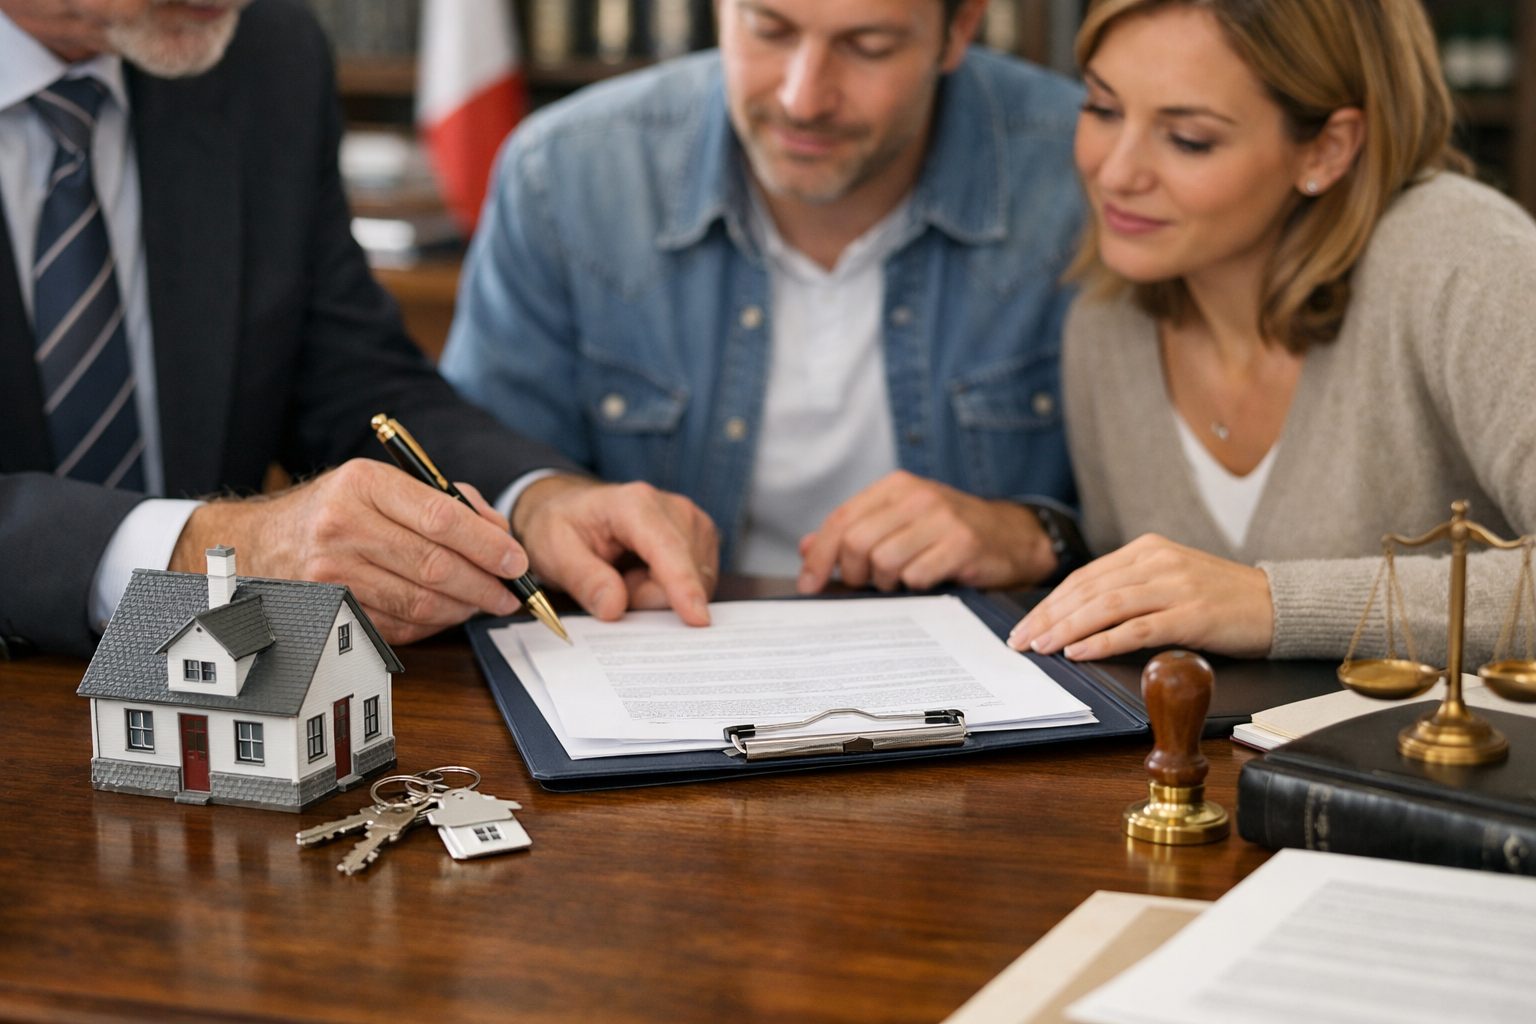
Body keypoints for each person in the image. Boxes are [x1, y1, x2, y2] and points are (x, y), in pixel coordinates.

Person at [0, 0, 717, 659]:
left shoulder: (262, 51)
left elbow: (352, 380)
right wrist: (206, 550)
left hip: (225, 697)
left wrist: (532, 501)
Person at [439, 0, 1086, 597]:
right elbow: (483, 469)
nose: (803, 98)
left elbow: (1166, 520)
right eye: (768, 30)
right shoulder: (565, 174)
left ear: (959, 31)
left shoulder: (1088, 171)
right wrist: (549, 507)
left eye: (868, 46)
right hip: (659, 664)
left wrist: (1036, 533)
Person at [1009, 0, 1536, 666]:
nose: (1115, 173)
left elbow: (1236, 609)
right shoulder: (1105, 319)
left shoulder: (1469, 262)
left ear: (1327, 148)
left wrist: (1268, 601)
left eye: (1189, 139)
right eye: (1103, 110)